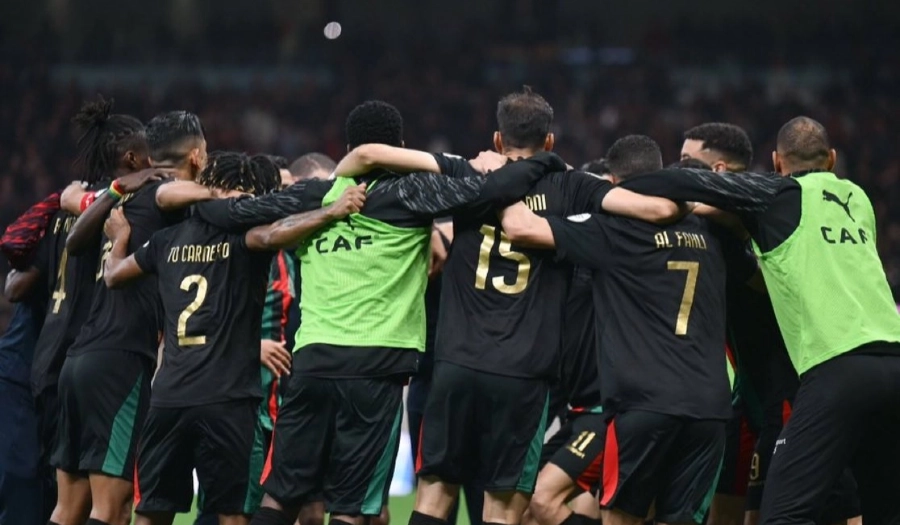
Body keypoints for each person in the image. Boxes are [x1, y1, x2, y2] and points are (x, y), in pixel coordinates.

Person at [166, 100, 569, 525]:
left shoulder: (315, 194)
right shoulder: (413, 193)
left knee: (280, 497)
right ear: (400, 148)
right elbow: (490, 193)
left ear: (347, 149)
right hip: (376, 367)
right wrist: (541, 162)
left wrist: (196, 195)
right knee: (351, 506)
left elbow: (233, 213)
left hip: (311, 363)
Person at [332, 98, 680, 525]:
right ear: (549, 140)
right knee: (501, 511)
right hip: (523, 375)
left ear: (497, 139)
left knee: (433, 500)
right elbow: (656, 210)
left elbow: (367, 154)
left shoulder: (467, 172)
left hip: (457, 365)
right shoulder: (571, 186)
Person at [617, 116, 900, 525]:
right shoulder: (858, 198)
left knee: (782, 515)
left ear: (777, 162)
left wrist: (617, 187)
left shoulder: (776, 194)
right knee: (883, 511)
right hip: (893, 362)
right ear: (832, 159)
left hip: (837, 368)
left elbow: (688, 183)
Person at [499, 134, 759, 525]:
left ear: (616, 185)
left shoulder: (614, 228)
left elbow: (521, 228)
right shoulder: (712, 231)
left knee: (620, 517)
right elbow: (755, 273)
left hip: (644, 404)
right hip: (709, 409)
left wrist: (499, 181)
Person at [679, 123, 862, 525]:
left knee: (823, 507)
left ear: (719, 171)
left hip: (794, 393)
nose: (681, 172)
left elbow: (768, 284)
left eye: (688, 162)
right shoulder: (711, 227)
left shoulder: (773, 213)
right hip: (744, 401)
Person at [52, 110, 207, 525]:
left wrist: (115, 190)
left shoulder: (113, 201)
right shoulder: (158, 192)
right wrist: (220, 193)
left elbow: (72, 226)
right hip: (120, 361)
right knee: (114, 510)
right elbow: (174, 195)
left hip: (79, 360)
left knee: (68, 509)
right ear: (136, 159)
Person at [0, 192, 60, 525]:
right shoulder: (62, 230)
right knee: (20, 485)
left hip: (57, 381)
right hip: (21, 374)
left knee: (54, 491)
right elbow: (14, 288)